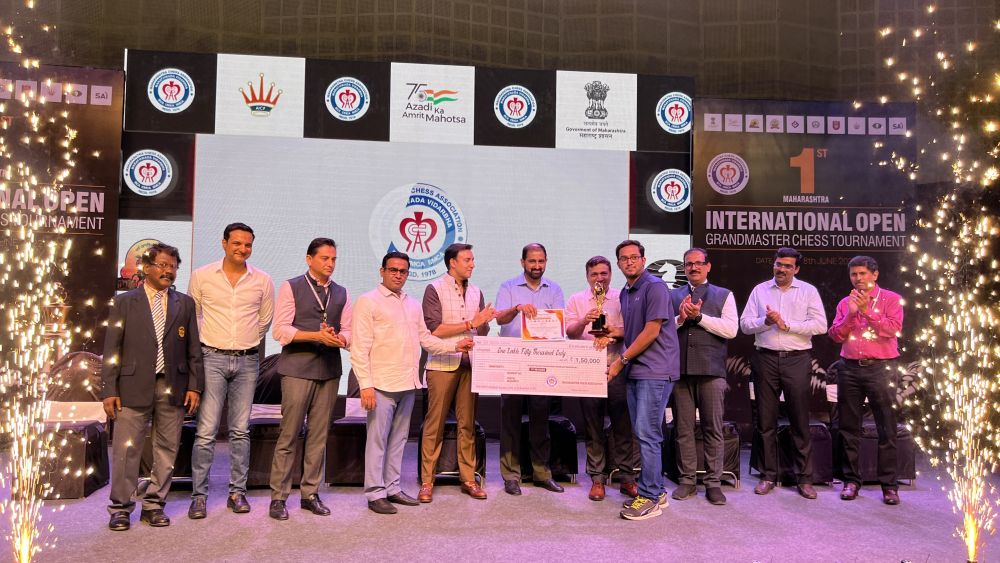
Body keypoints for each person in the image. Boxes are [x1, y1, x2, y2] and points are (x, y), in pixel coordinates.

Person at [353, 252, 475, 514]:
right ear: (382, 271)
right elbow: (359, 348)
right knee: (377, 441)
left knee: (399, 441)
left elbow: (426, 339)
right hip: (381, 384)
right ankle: (375, 493)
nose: (398, 275)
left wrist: (455, 346)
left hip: (408, 384)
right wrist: (365, 384)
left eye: (403, 271)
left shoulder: (412, 304)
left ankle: (393, 488)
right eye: (393, 270)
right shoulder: (367, 301)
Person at [101, 243, 204, 531]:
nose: (168, 271)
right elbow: (112, 348)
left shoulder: (185, 304)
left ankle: (154, 505)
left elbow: (194, 349)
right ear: (147, 268)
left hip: (174, 385)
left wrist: (194, 386)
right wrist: (109, 389)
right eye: (162, 265)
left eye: (173, 266)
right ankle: (120, 508)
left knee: (167, 449)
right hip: (132, 385)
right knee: (126, 450)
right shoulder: (125, 302)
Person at [188, 222, 274, 519]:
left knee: (240, 430)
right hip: (211, 358)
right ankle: (199, 496)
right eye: (237, 243)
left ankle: (237, 493)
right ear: (224, 243)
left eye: (247, 244)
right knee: (206, 431)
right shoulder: (202, 276)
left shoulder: (262, 280)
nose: (242, 249)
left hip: (248, 361)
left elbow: (264, 322)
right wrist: (214, 345)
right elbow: (194, 316)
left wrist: (243, 342)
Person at [268, 237, 351, 520]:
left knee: (318, 435)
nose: (330, 264)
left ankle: (310, 493)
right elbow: (280, 330)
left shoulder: (341, 292)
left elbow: (349, 331)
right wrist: (316, 335)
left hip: (329, 371)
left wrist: (340, 338)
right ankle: (278, 497)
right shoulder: (291, 286)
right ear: (309, 259)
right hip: (296, 370)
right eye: (325, 258)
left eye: (333, 259)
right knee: (289, 434)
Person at [739, 247, 827, 499]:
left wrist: (786, 325)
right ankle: (768, 476)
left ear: (796, 269)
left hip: (797, 360)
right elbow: (744, 325)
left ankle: (804, 478)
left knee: (799, 420)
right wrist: (765, 322)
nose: (781, 269)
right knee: (765, 421)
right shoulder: (760, 290)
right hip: (765, 358)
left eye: (788, 266)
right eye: (778, 264)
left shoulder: (808, 291)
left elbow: (820, 325)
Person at [606, 240, 680, 520]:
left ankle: (649, 497)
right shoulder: (626, 291)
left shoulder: (655, 286)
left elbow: (651, 331)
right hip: (637, 371)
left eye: (634, 257)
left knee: (648, 435)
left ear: (643, 260)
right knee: (643, 433)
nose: (629, 262)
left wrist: (621, 360)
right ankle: (656, 491)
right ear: (619, 263)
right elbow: (634, 329)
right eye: (624, 258)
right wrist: (613, 332)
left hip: (655, 370)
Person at [418, 243, 495, 502]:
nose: (472, 264)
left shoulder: (476, 291)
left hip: (470, 365)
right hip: (442, 364)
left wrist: (484, 323)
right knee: (435, 424)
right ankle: (427, 481)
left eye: (473, 260)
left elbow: (480, 331)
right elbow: (434, 329)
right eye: (467, 260)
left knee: (467, 424)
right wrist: (472, 322)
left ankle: (469, 478)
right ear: (452, 263)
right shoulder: (434, 288)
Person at [828, 255, 903, 505]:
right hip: (849, 368)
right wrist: (851, 314)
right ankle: (851, 481)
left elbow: (893, 329)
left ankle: (889, 486)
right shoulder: (844, 302)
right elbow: (836, 335)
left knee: (886, 427)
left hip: (881, 368)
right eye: (854, 274)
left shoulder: (891, 299)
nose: (858, 278)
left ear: (875, 274)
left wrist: (866, 311)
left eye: (862, 273)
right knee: (849, 427)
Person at [565, 255, 639, 501]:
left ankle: (627, 478)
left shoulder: (622, 297)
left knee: (623, 427)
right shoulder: (576, 300)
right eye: (595, 274)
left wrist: (613, 335)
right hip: (587, 371)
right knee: (593, 427)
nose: (599, 278)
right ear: (587, 277)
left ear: (611, 274)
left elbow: (632, 330)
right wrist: (583, 321)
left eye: (604, 273)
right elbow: (570, 333)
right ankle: (597, 479)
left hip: (618, 367)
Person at [668, 248, 738, 506]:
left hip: (711, 371)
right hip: (680, 371)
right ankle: (687, 480)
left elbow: (731, 330)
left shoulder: (724, 294)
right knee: (683, 429)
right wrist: (680, 317)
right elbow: (664, 329)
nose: (694, 268)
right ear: (684, 268)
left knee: (713, 429)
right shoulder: (672, 295)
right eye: (689, 264)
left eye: (698, 263)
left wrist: (699, 318)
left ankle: (713, 483)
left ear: (708, 266)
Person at [494, 243, 566, 495]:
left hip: (542, 363)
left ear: (546, 262)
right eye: (532, 261)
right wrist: (517, 309)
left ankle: (542, 473)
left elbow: (559, 326)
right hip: (513, 362)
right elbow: (499, 319)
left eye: (541, 261)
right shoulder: (508, 287)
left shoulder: (555, 289)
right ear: (522, 262)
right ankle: (511, 476)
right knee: (510, 421)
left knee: (540, 421)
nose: (537, 266)